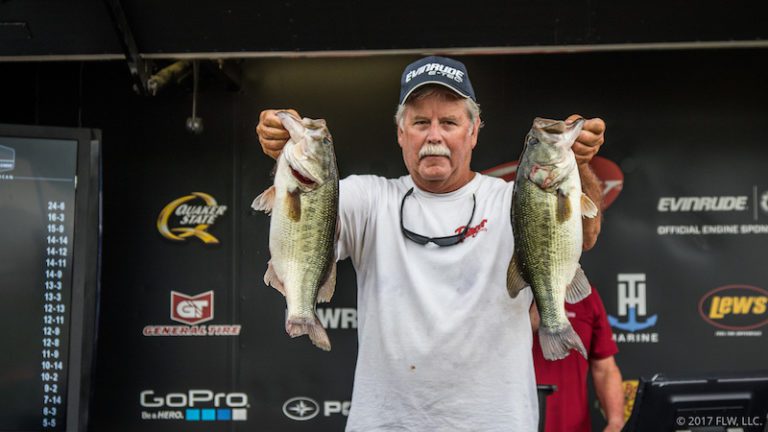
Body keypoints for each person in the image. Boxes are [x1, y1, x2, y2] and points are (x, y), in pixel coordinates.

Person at [256, 55, 606, 431]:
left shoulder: (513, 200)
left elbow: (585, 234)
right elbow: (309, 215)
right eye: (420, 122)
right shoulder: (369, 198)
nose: (434, 135)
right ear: (401, 133)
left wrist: (579, 163)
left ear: (473, 132)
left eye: (449, 122)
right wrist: (285, 144)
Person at [532, 287, 625, 432]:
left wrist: (616, 421)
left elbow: (605, 369)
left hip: (574, 427)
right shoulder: (510, 294)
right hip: (517, 423)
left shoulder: (586, 295)